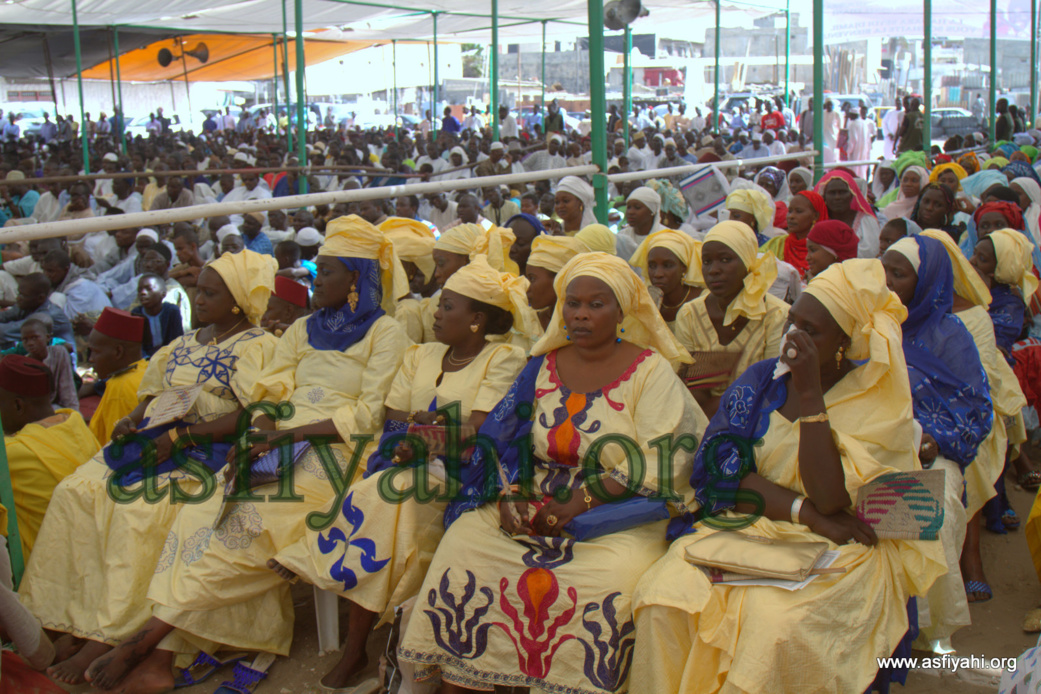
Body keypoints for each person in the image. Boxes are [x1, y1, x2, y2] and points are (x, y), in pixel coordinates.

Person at [85, 217, 412, 692]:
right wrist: (257, 435)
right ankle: (163, 650)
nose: (316, 279)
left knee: (249, 526)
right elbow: (270, 391)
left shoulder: (387, 334)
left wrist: (285, 437)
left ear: (359, 279)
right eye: (317, 269)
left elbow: (365, 415)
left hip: (338, 452)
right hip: (277, 442)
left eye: (329, 271)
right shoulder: (304, 329)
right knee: (197, 515)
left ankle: (148, 642)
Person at [398, 252, 708, 694]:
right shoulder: (541, 367)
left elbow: (664, 455)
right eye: (573, 303)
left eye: (596, 304)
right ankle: (468, 680)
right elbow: (504, 441)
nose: (581, 314)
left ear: (622, 311)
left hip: (618, 511)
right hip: (534, 493)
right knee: (463, 547)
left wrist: (581, 502)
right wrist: (510, 495)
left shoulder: (650, 371)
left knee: (609, 581)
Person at [632, 259, 946, 694]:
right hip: (757, 524)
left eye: (811, 331)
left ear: (843, 342)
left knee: (772, 629)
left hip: (843, 544)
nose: (792, 337)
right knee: (662, 597)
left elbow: (834, 498)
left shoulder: (876, 399)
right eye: (792, 321)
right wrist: (805, 512)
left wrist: (810, 394)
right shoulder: (762, 380)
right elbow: (720, 474)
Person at [20, 251, 279, 686]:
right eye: (199, 291)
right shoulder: (184, 343)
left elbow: (250, 414)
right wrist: (132, 418)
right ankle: (68, 617)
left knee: (138, 511)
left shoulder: (259, 347)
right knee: (76, 491)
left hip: (205, 447)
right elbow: (153, 395)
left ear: (237, 299)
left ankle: (110, 632)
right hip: (157, 439)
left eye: (211, 293)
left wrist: (179, 438)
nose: (199, 300)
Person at [274, 255, 529, 689]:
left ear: (477, 319)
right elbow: (392, 421)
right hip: (401, 461)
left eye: (448, 306)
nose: (436, 312)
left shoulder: (503, 358)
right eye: (438, 303)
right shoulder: (422, 355)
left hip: (462, 476)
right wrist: (428, 431)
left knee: (389, 495)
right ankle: (359, 641)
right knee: (390, 495)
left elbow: (480, 433)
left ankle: (337, 610)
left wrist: (427, 431)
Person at [881, 235, 992, 651]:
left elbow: (976, 411)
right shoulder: (867, 322)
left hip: (931, 453)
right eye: (884, 269)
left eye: (899, 273)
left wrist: (933, 441)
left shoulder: (948, 334)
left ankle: (924, 627)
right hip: (872, 446)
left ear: (925, 281)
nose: (887, 281)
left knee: (932, 512)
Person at [921, 229, 1023, 606]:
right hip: (917, 417)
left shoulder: (975, 315)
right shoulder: (901, 314)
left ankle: (971, 559)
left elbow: (978, 385)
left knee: (967, 456)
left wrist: (938, 428)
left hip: (968, 414)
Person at [673, 221, 789, 418]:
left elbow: (773, 386)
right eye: (707, 261)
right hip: (704, 421)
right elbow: (693, 388)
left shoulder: (776, 315)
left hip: (761, 422)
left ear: (747, 262)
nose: (714, 270)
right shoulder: (690, 314)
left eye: (725, 260)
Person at [0, 355, 99, 562]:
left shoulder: (13, 453)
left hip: (45, 574)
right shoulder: (76, 425)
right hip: (93, 558)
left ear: (18, 406)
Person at [82, 307, 148, 443]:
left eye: (95, 351)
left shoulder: (120, 387)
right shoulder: (146, 368)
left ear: (118, 352)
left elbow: (114, 451)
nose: (91, 359)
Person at [629, 228, 703, 329]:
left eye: (667, 265)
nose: (658, 274)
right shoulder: (644, 302)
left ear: (683, 267)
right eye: (652, 266)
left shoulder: (703, 302)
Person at [524, 234, 592, 334]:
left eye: (532, 278)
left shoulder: (586, 329)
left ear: (559, 280)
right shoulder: (524, 323)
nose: (526, 288)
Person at [761, 190, 829, 280]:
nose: (791, 216)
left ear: (815, 216)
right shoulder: (777, 244)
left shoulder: (826, 250)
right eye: (790, 211)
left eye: (799, 211)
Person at [814, 169, 882, 258]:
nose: (837, 197)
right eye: (832, 193)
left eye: (842, 192)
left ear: (852, 195)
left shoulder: (866, 221)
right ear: (824, 196)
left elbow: (871, 252)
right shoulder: (817, 221)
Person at [0, 273, 75, 352]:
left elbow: (3, 332)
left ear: (40, 298)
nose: (18, 298)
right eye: (19, 293)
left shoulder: (48, 315)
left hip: (58, 358)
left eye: (23, 295)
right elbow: (4, 316)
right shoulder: (27, 305)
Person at [19, 318, 78, 411]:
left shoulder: (59, 353)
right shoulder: (24, 365)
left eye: (35, 338)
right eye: (25, 340)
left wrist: (74, 414)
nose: (30, 343)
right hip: (39, 410)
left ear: (47, 338)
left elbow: (68, 389)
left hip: (58, 407)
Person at [131, 274, 185, 358]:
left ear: (163, 294)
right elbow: (136, 346)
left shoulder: (171, 311)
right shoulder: (136, 314)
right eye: (139, 290)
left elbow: (177, 341)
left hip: (168, 356)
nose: (143, 293)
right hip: (146, 360)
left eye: (149, 289)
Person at [616, 187, 666, 259]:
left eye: (637, 207)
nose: (630, 212)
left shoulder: (665, 237)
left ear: (652, 211)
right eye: (629, 207)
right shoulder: (622, 237)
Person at [505, 212, 545, 277]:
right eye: (508, 241)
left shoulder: (544, 281)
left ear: (537, 246)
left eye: (521, 243)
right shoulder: (493, 274)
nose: (512, 249)